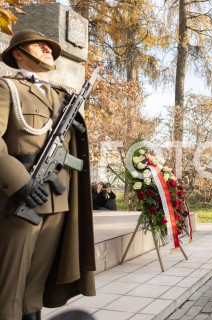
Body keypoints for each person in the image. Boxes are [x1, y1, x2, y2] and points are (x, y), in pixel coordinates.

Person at [0, 30, 96, 319]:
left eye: (50, 47)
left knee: (34, 289)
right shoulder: (8, 89)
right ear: (18, 53)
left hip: (57, 199)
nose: (48, 49)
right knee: (10, 288)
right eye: (39, 45)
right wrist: (20, 183)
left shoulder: (59, 95)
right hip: (20, 199)